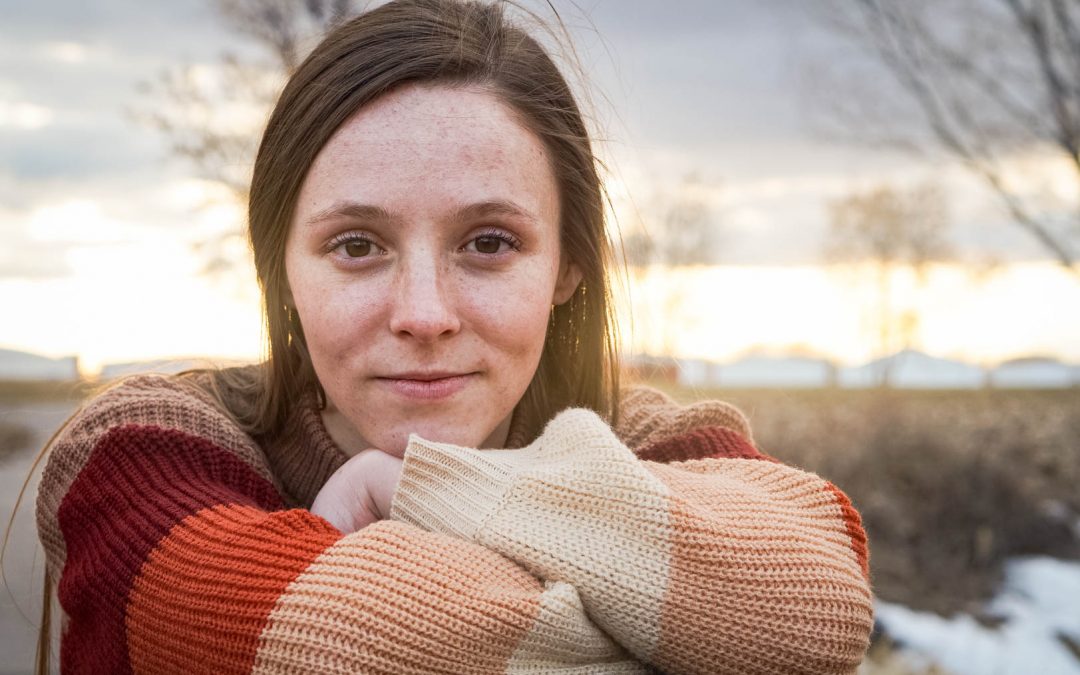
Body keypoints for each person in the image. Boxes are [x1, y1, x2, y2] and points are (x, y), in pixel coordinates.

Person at [32, 0, 874, 673]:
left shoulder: (653, 440)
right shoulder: (143, 453)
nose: (425, 312)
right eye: (356, 245)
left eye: (489, 242)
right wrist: (681, 622)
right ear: (282, 267)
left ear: (567, 268)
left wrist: (425, 489)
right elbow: (353, 646)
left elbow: (824, 605)